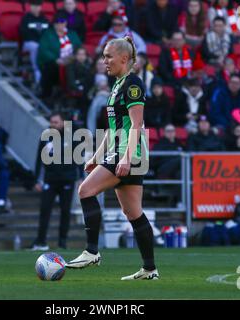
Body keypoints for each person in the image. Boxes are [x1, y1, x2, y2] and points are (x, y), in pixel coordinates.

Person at [66, 37, 159, 280]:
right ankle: (150, 269)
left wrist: (126, 158)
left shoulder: (133, 84)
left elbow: (136, 125)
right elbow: (113, 127)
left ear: (124, 58)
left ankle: (92, 251)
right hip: (121, 153)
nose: (104, 61)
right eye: (104, 56)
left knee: (85, 190)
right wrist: (96, 156)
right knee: (133, 213)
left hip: (128, 153)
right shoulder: (118, 85)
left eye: (108, 56)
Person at [32, 113, 84, 250]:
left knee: (65, 211)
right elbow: (39, 158)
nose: (52, 125)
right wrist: (37, 179)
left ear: (63, 123)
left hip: (67, 179)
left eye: (55, 122)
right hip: (50, 179)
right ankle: (41, 241)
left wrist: (81, 177)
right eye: (51, 122)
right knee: (45, 210)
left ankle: (62, 242)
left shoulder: (73, 136)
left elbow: (79, 158)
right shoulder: (46, 136)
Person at [37, 12, 81, 98]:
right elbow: (43, 50)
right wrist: (56, 59)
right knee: (49, 69)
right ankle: (46, 95)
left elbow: (79, 47)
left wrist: (73, 57)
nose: (60, 24)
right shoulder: (48, 34)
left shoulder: (72, 34)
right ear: (54, 24)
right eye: (57, 22)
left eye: (62, 22)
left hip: (72, 60)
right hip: (55, 62)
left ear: (66, 23)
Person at [19, 0, 49, 84]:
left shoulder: (44, 19)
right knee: (35, 46)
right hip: (28, 43)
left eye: (38, 6)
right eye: (34, 6)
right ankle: (37, 71)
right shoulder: (26, 18)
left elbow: (47, 33)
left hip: (42, 43)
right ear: (30, 7)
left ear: (40, 7)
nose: (36, 8)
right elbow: (23, 33)